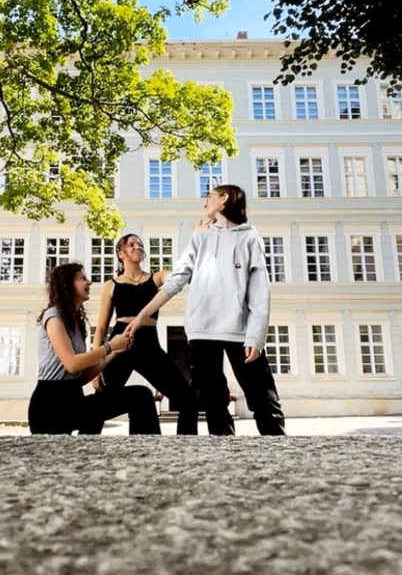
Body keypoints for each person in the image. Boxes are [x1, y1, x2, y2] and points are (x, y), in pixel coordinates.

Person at [126, 184, 286, 436]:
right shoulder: (200, 237)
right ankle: (222, 457)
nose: (204, 203)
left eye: (208, 197)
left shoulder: (250, 237)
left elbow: (259, 291)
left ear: (225, 199)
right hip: (202, 331)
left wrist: (256, 335)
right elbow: (176, 280)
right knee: (213, 402)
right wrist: (141, 316)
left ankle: (282, 451)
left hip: (240, 331)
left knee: (263, 398)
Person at [28, 262, 162, 435]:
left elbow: (81, 377)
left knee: (140, 396)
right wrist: (110, 346)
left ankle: (146, 456)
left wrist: (115, 351)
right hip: (50, 408)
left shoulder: (77, 322)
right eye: (82, 278)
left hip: (74, 400)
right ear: (67, 285)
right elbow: (72, 364)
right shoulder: (54, 316)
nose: (89, 282)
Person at [91, 234, 200, 434]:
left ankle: (186, 448)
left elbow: (176, 277)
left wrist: (194, 243)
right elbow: (101, 328)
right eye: (131, 244)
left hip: (149, 344)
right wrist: (95, 366)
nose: (137, 247)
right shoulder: (111, 285)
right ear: (120, 253)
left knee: (187, 399)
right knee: (101, 399)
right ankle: (83, 443)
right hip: (120, 344)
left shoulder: (156, 278)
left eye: (140, 244)